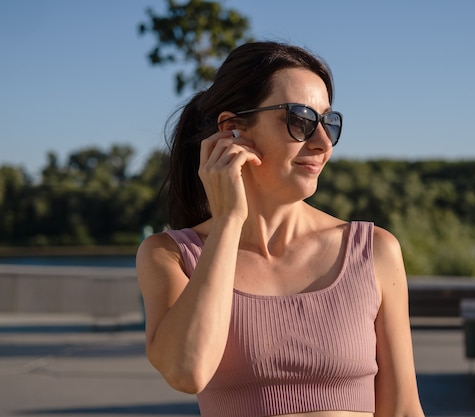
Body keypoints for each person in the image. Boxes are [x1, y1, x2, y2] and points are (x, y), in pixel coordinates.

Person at [136, 41, 426, 417]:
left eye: (329, 123)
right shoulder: (171, 255)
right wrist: (227, 221)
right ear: (232, 130)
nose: (323, 143)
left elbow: (403, 410)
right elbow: (186, 371)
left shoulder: (374, 250)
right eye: (301, 120)